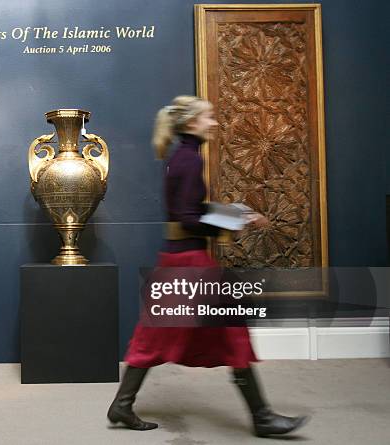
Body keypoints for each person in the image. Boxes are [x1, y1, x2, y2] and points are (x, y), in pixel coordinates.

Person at [107, 96, 310, 437]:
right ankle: (262, 417)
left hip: (180, 260)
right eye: (209, 117)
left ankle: (122, 405)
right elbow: (188, 218)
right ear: (190, 124)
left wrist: (237, 214)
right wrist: (235, 222)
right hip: (189, 262)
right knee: (228, 332)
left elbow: (192, 208)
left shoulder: (183, 157)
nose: (214, 122)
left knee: (158, 335)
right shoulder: (188, 161)